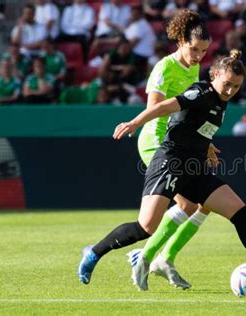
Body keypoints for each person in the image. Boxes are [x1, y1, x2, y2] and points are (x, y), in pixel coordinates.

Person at [114, 49, 246, 291]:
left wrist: (208, 147)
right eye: (227, 84)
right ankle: (144, 256)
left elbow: (199, 124)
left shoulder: (214, 94)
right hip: (165, 149)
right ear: (215, 76)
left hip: (192, 158)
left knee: (232, 211)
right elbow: (163, 107)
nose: (230, 90)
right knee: (163, 216)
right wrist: (135, 121)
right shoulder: (185, 81)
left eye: (236, 87)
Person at [78, 10, 215, 289]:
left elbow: (190, 114)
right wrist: (134, 123)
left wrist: (207, 143)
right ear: (180, 41)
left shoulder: (193, 67)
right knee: (168, 215)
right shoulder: (164, 68)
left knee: (199, 205)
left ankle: (158, 257)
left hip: (180, 144)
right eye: (194, 49)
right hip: (157, 142)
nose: (199, 55)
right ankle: (111, 253)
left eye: (204, 50)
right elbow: (154, 110)